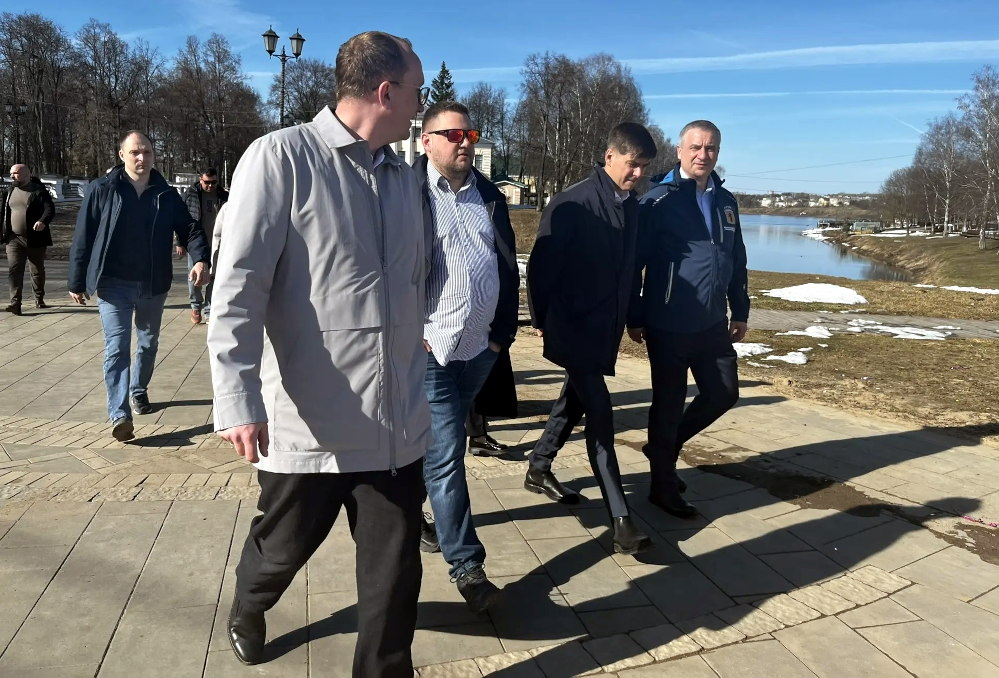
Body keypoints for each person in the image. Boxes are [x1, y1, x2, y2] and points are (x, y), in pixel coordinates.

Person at [207, 32, 430, 675]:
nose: (420, 107)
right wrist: (236, 397)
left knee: (395, 575)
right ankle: (250, 603)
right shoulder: (282, 158)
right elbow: (238, 287)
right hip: (311, 419)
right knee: (282, 549)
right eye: (415, 92)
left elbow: (413, 279)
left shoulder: (403, 177)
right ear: (385, 91)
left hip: (394, 423)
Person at [526, 122, 657, 556]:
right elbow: (541, 267)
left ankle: (539, 465)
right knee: (600, 412)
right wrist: (541, 318)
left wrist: (633, 317)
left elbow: (631, 271)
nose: (638, 174)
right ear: (610, 156)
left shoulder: (632, 208)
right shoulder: (572, 202)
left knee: (576, 398)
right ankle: (621, 519)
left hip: (606, 329)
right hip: (571, 326)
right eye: (632, 164)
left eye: (644, 167)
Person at [415, 100, 519, 613]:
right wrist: (410, 331)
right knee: (448, 452)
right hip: (430, 348)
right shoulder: (408, 192)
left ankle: (410, 509)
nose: (465, 143)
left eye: (470, 135)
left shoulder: (490, 195)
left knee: (437, 450)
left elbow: (507, 264)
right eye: (453, 135)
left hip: (480, 349)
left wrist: (501, 336)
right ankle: (467, 568)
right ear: (426, 141)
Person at [627, 120, 750, 519]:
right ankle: (661, 486)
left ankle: (662, 448)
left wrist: (740, 309)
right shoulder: (657, 201)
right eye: (695, 147)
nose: (703, 154)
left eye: (710, 148)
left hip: (712, 320)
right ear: (679, 151)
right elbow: (634, 264)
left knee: (724, 392)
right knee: (668, 403)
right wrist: (635, 315)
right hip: (668, 321)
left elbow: (736, 258)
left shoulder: (726, 201)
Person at [68, 131, 210, 442]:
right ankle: (120, 415)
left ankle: (138, 389)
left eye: (146, 151)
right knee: (117, 347)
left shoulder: (166, 194)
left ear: (154, 155)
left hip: (152, 283)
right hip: (113, 284)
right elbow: (84, 235)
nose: (141, 157)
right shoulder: (102, 189)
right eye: (134, 152)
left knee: (148, 343)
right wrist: (77, 280)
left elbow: (190, 228)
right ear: (122, 155)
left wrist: (200, 259)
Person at [3, 164, 55, 315]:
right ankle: (15, 303)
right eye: (11, 173)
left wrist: (42, 221)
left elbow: (49, 209)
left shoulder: (39, 191)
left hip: (35, 239)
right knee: (14, 270)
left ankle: (39, 298)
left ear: (26, 174)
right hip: (14, 239)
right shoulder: (9, 191)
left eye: (15, 173)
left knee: (37, 270)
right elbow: (4, 212)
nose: (12, 176)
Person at [179, 167, 228, 324]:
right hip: (196, 243)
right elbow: (180, 220)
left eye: (214, 182)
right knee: (194, 275)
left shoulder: (224, 196)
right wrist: (180, 242)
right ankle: (195, 305)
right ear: (201, 179)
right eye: (207, 182)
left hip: (218, 242)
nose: (210, 185)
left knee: (214, 276)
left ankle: (209, 309)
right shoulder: (190, 195)